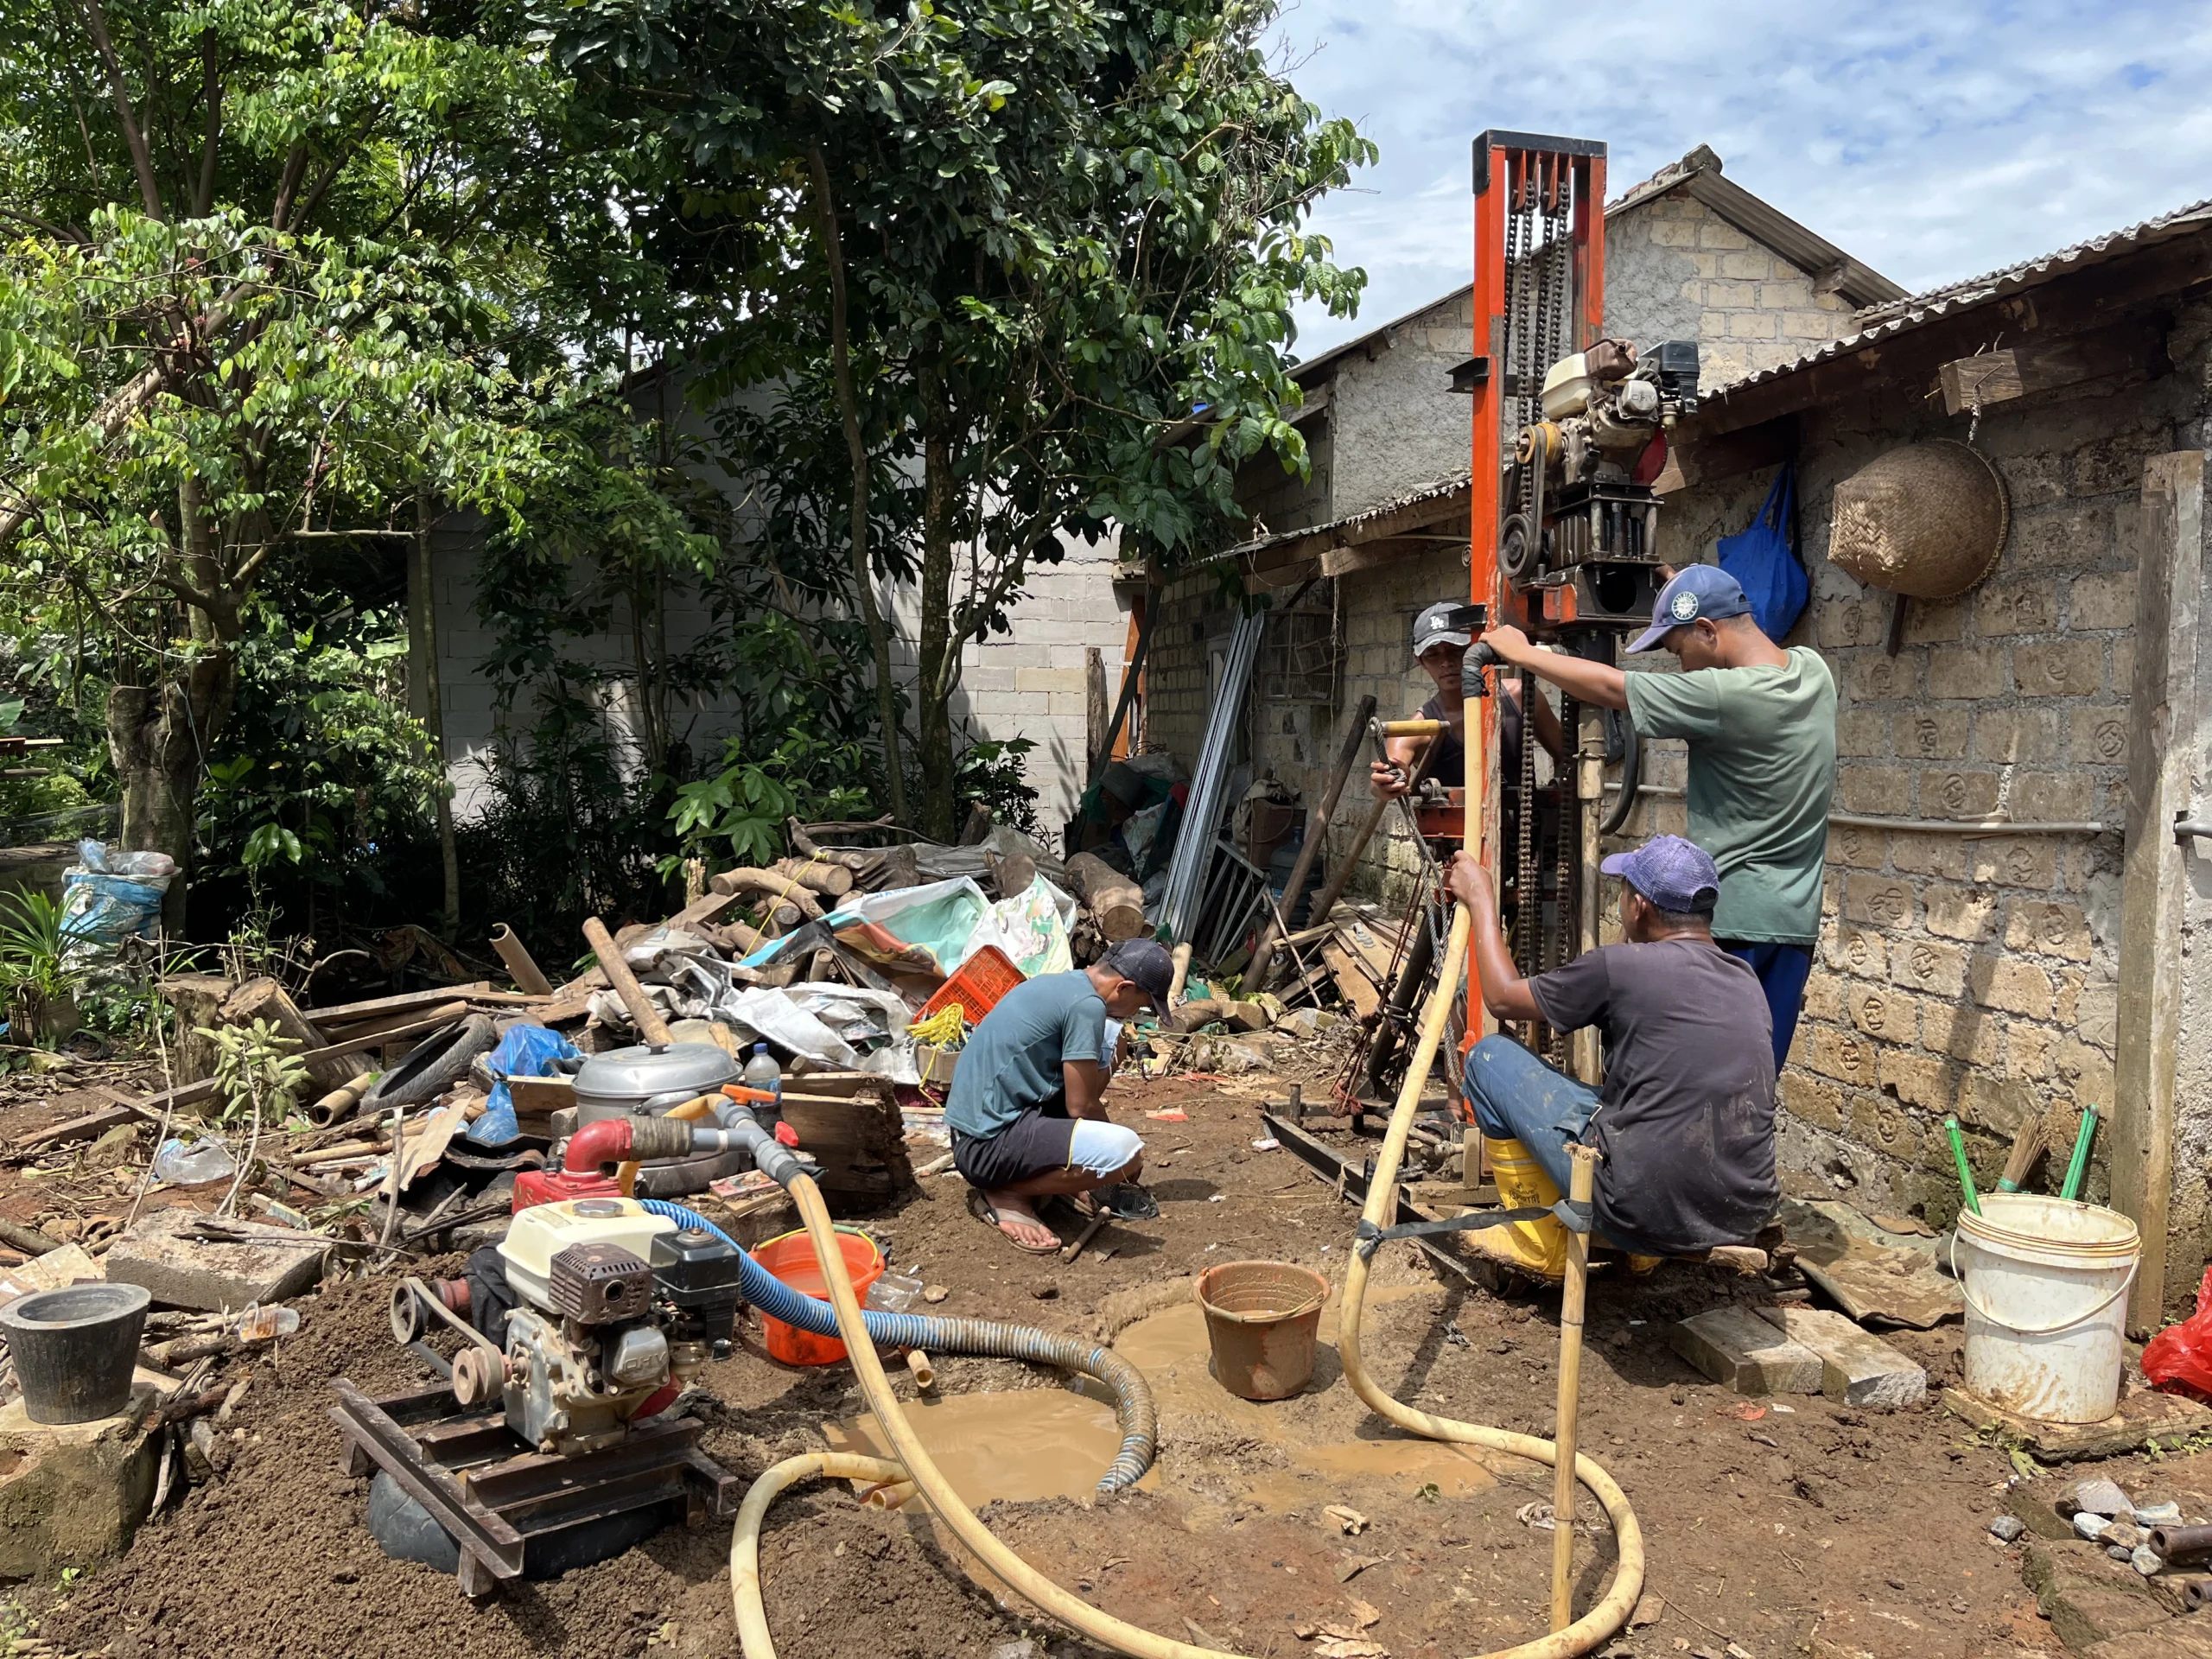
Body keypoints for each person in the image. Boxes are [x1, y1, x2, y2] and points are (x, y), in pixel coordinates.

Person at [1476, 564, 1836, 1071]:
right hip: (1793, 921)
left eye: (1678, 650)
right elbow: (1736, 627)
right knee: (1749, 1077)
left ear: (1709, 632)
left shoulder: (1723, 695)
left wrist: (1524, 654)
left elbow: (1612, 688)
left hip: (1733, 920)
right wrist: (1682, 586)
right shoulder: (1812, 671)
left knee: (1700, 1074)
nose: (1683, 667)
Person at [1446, 835, 1778, 1275]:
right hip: (1738, 1214)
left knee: (1489, 1059)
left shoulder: (1620, 967)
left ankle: (1540, 1241)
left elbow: (1503, 999)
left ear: (1639, 906)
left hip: (1633, 1209)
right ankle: (1644, 1255)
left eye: (1622, 892)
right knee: (1628, 1096)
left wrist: (1481, 898)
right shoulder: (1745, 979)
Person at [946, 938, 1173, 1254]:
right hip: (984, 1149)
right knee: (1126, 1154)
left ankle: (1048, 1180)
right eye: (1142, 1003)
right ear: (1124, 987)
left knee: (1111, 1043)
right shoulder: (1087, 1005)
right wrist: (1121, 1165)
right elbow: (1081, 1106)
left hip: (969, 1132)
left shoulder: (1062, 984)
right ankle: (1007, 1192)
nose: (1137, 1012)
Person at [1371, 601, 1564, 807]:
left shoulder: (1520, 698)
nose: (1446, 662)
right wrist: (1387, 783)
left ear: (1476, 648)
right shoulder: (1416, 730)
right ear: (1420, 661)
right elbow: (1384, 780)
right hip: (1454, 838)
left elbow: (1566, 756)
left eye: (1455, 650)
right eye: (1433, 654)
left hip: (1528, 832)